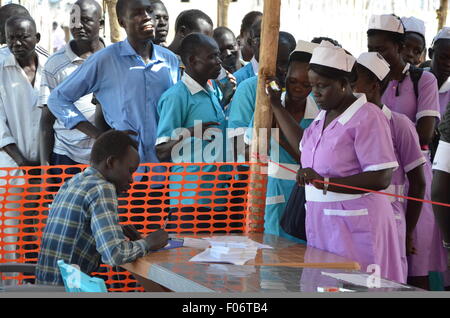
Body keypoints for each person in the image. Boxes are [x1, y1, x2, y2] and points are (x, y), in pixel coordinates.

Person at [297, 41, 404, 283]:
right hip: (323, 222)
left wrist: (325, 182)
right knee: (325, 285)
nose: (315, 92)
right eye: (313, 85)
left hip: (357, 224)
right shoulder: (321, 118)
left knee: (358, 285)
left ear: (344, 84)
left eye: (322, 86)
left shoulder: (368, 116)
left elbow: (380, 177)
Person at [47, 0, 179, 165]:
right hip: (124, 169)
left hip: (165, 167)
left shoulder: (170, 61)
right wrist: (99, 136)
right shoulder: (105, 60)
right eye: (137, 13)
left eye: (149, 11)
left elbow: (175, 113)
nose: (147, 17)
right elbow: (57, 99)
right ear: (122, 22)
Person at [368, 14, 446, 289]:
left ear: (401, 47)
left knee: (416, 261)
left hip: (414, 180)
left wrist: (381, 124)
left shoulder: (422, 80)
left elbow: (424, 134)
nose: (375, 55)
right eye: (371, 49)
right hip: (381, 181)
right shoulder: (368, 80)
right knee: (384, 262)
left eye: (382, 49)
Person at [36, 130, 169, 286]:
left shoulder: (74, 181)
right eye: (130, 171)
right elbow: (114, 254)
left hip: (45, 285)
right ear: (111, 162)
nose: (131, 180)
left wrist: (132, 240)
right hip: (66, 289)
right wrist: (149, 243)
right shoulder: (102, 188)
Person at [352, 52, 426, 284]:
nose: (348, 86)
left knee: (387, 278)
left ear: (374, 85)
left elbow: (418, 181)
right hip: (354, 214)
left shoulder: (399, 123)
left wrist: (410, 231)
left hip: (391, 216)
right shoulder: (345, 119)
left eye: (354, 81)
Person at [155, 33, 227, 215]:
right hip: (190, 198)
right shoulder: (176, 96)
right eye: (212, 57)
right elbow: (161, 150)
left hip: (217, 197)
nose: (219, 61)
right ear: (193, 61)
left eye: (218, 55)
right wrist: (191, 133)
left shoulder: (212, 91)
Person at [260, 40, 320, 242]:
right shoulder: (267, 106)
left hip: (307, 196)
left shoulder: (320, 113)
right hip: (274, 193)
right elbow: (253, 145)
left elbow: (308, 157)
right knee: (272, 259)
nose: (298, 89)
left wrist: (282, 137)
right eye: (293, 81)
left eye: (307, 84)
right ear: (285, 75)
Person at [40, 0, 105, 171]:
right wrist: (45, 170)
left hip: (106, 156)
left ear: (101, 23)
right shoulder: (54, 64)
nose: (78, 26)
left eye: (85, 20)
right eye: (73, 20)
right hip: (66, 157)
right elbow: (46, 122)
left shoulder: (114, 58)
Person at [227, 31, 296, 161]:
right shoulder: (248, 89)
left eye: (286, 63)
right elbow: (238, 145)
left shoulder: (301, 90)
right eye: (276, 62)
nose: (282, 69)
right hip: (255, 175)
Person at [233, 19, 261, 86]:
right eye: (259, 39)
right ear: (250, 42)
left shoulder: (282, 74)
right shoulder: (238, 78)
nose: (267, 43)